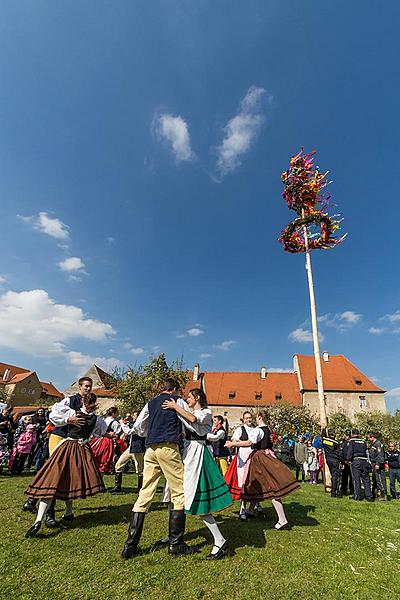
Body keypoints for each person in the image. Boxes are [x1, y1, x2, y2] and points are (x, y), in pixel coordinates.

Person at [121, 379, 197, 559]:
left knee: (145, 493)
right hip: (169, 447)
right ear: (175, 390)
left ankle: (130, 546)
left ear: (163, 389)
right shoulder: (177, 401)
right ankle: (176, 544)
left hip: (150, 449)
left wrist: (153, 431)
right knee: (179, 493)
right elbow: (189, 421)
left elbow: (139, 427)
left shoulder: (150, 403)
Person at [24, 393, 107, 538]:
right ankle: (67, 513)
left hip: (67, 447)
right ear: (94, 404)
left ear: (83, 402)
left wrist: (68, 419)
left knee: (53, 479)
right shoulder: (97, 420)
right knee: (71, 481)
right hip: (81, 450)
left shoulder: (73, 413)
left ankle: (40, 519)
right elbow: (100, 433)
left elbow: (53, 416)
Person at [162, 389, 232, 559]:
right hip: (187, 452)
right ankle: (174, 535)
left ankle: (219, 539)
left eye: (190, 397)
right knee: (175, 494)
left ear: (198, 398)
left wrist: (174, 406)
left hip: (197, 454)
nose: (187, 399)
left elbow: (193, 420)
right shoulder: (189, 411)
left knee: (197, 500)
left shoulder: (206, 413)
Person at [22, 376, 94, 526]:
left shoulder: (88, 404)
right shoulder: (71, 400)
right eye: (86, 386)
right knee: (54, 472)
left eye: (90, 386)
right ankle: (49, 515)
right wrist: (68, 420)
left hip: (72, 440)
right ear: (80, 387)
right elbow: (53, 415)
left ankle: (33, 501)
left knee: (65, 473)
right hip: (59, 436)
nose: (88, 389)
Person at [225, 410, 299, 530]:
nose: (253, 419)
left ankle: (282, 520)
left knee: (270, 487)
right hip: (267, 456)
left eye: (255, 417)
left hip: (260, 459)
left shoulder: (258, 430)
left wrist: (233, 444)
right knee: (256, 484)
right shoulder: (267, 429)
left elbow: (249, 442)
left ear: (259, 417)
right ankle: (249, 510)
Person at [224, 411, 258, 521]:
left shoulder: (255, 430)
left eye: (250, 418)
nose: (249, 420)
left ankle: (253, 506)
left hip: (253, 457)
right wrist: (238, 441)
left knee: (253, 482)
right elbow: (234, 439)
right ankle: (242, 510)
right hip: (242, 458)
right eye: (246, 418)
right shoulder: (240, 429)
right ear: (243, 420)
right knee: (243, 483)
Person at [109, 411, 145, 494]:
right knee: (118, 465)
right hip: (131, 447)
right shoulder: (135, 423)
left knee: (140, 469)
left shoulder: (141, 424)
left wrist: (122, 423)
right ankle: (117, 487)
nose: (133, 417)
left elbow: (129, 431)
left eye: (134, 415)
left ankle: (140, 488)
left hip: (138, 448)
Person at [90, 406, 120, 474]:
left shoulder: (104, 420)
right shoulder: (115, 422)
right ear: (113, 413)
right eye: (117, 412)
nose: (118, 414)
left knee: (96, 456)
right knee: (105, 458)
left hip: (97, 440)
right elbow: (117, 432)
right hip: (107, 441)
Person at [347, 429, 373, 501]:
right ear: (358, 434)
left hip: (356, 461)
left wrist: (348, 459)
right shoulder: (363, 441)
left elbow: (350, 451)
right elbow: (367, 451)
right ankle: (369, 496)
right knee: (366, 479)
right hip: (365, 461)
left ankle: (357, 496)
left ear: (352, 434)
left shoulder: (351, 441)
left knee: (356, 479)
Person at [322, 429, 343, 498]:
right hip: (335, 461)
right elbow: (339, 453)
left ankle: (332, 489)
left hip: (328, 460)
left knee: (332, 474)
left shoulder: (325, 440)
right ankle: (334, 492)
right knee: (335, 476)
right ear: (334, 434)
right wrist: (342, 462)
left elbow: (323, 435)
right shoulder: (336, 443)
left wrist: (324, 429)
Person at [368, 432, 388, 501]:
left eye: (369, 437)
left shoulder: (378, 444)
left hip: (378, 464)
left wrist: (378, 464)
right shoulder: (373, 444)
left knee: (380, 479)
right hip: (374, 463)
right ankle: (375, 494)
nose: (368, 438)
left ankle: (384, 495)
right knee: (375, 479)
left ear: (372, 437)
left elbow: (380, 455)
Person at [340, 431, 354, 496]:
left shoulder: (353, 443)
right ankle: (343, 490)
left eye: (348, 436)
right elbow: (341, 454)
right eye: (346, 435)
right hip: (345, 462)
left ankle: (352, 490)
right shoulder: (343, 444)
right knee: (344, 478)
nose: (347, 437)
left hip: (351, 463)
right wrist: (342, 462)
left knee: (352, 478)